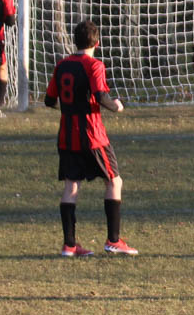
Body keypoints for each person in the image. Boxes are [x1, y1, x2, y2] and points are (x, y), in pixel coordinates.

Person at [44, 19, 137, 257]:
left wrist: (70, 109)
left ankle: (69, 245)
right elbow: (101, 96)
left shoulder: (62, 65)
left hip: (66, 136)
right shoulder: (94, 65)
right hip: (92, 136)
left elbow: (49, 100)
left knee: (71, 185)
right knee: (114, 181)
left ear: (74, 41)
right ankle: (113, 241)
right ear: (97, 43)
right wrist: (116, 106)